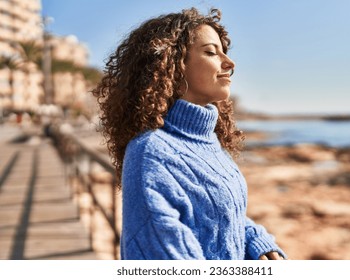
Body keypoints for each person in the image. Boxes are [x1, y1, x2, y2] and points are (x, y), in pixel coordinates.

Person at [93, 7, 287, 260]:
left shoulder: (206, 140)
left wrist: (257, 242)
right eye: (210, 52)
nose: (229, 63)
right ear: (173, 64)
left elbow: (216, 211)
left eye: (224, 52)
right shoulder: (152, 152)